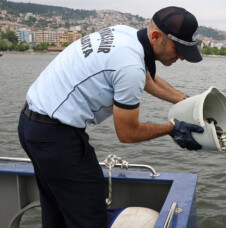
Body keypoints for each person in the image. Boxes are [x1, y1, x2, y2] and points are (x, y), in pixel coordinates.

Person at [18, 6, 204, 227]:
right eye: (179, 49)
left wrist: (185, 101)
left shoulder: (125, 34)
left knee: (57, 211)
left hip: (32, 123)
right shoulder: (130, 66)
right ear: (156, 37)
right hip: (54, 135)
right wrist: (172, 129)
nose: (181, 57)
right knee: (90, 217)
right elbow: (127, 133)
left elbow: (146, 79)